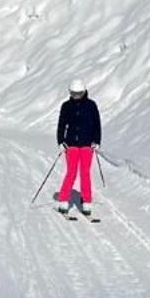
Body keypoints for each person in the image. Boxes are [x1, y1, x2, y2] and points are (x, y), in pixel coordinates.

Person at [55, 78, 101, 216]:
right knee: (71, 172)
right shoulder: (66, 106)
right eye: (73, 93)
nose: (76, 96)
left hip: (87, 144)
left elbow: (97, 124)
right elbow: (61, 125)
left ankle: (86, 201)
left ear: (84, 91)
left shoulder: (91, 105)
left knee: (85, 173)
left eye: (78, 93)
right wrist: (61, 142)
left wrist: (97, 141)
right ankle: (64, 199)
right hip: (71, 144)